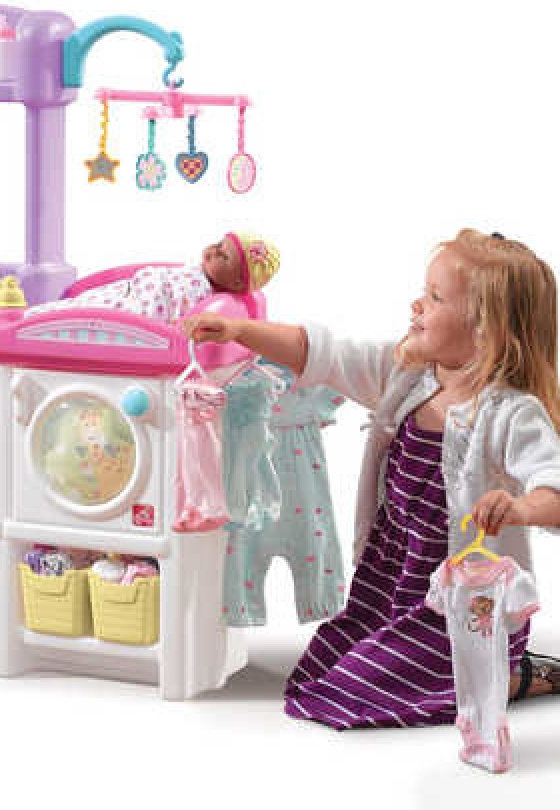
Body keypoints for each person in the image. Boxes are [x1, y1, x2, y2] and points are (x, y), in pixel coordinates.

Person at [181, 228, 560, 728]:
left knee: (347, 694)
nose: (417, 305)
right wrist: (240, 331)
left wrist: (519, 508)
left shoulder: (510, 412)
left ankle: (505, 674)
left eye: (436, 298)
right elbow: (321, 353)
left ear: (486, 330)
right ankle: (477, 672)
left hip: (460, 607)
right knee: (316, 673)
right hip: (390, 581)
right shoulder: (406, 374)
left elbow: (553, 487)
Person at [27, 231, 279, 324]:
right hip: (128, 291)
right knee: (81, 303)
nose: (212, 250)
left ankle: (33, 319)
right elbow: (162, 279)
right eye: (217, 244)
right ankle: (30, 316)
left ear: (237, 282)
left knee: (86, 313)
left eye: (222, 256)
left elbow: (176, 314)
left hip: (136, 307)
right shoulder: (195, 271)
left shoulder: (208, 298)